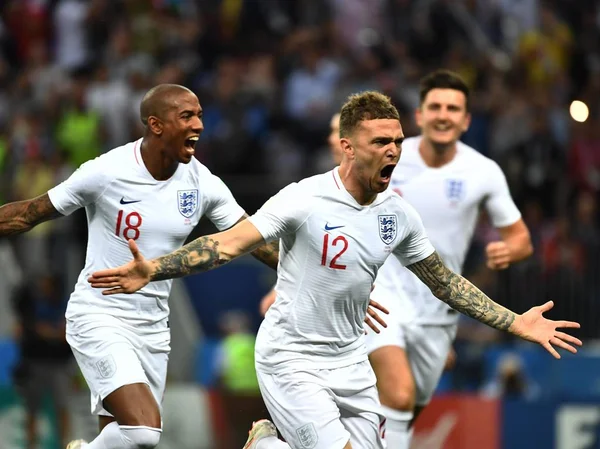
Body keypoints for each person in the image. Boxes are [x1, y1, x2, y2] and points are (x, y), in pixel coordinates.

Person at [88, 91, 581, 449]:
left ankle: (267, 445)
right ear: (347, 147)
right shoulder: (304, 198)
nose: (392, 151)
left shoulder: (397, 215)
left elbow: (445, 283)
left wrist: (516, 321)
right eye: (380, 142)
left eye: (397, 141)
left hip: (351, 363)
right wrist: (155, 268)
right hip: (291, 358)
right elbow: (227, 244)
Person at [0, 84, 281, 449]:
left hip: (152, 328)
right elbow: (27, 215)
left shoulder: (203, 183)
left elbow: (251, 240)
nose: (198, 124)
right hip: (100, 314)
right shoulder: (106, 172)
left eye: (199, 114)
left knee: (123, 441)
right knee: (145, 431)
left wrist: (313, 272)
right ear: (156, 124)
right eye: (186, 116)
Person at [363, 69, 536, 448]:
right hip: (381, 298)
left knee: (406, 410)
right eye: (435, 106)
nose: (444, 115)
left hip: (440, 309)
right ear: (420, 116)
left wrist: (512, 249)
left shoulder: (483, 171)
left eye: (453, 108)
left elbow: (520, 237)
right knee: (398, 394)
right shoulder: (390, 157)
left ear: (466, 119)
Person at [12, 273, 74, 449]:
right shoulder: (31, 305)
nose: (42, 287)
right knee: (32, 408)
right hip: (35, 363)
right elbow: (24, 330)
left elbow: (65, 333)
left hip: (59, 365)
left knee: (62, 406)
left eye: (46, 284)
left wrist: (50, 333)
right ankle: (31, 444)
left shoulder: (66, 305)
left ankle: (65, 444)